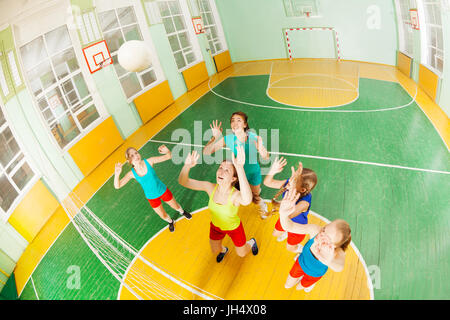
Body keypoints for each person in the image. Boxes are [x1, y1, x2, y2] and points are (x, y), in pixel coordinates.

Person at [178, 146, 258, 262]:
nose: (221, 171)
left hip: (234, 229)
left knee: (242, 253)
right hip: (216, 226)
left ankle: (251, 242)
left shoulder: (235, 195)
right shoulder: (210, 188)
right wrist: (187, 166)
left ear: (233, 179)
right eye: (220, 167)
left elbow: (246, 200)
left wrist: (239, 168)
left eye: (227, 170)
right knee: (215, 250)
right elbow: (183, 181)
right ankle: (224, 250)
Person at [279, 184, 351, 292]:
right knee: (287, 286)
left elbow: (339, 267)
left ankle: (309, 284)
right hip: (301, 263)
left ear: (335, 245)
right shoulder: (315, 231)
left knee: (300, 288)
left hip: (314, 274)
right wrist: (283, 214)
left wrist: (327, 260)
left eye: (327, 238)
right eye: (325, 229)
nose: (321, 235)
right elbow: (289, 226)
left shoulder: (338, 252)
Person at [203, 111, 270, 218]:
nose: (235, 123)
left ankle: (262, 204)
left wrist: (262, 150)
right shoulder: (228, 139)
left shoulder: (254, 137)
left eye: (239, 120)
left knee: (255, 196)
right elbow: (206, 152)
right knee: (236, 195)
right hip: (237, 174)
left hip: (253, 173)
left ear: (244, 124)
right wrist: (214, 137)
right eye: (232, 121)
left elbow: (266, 157)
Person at [114, 145, 191, 232]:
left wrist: (167, 151)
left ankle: (182, 212)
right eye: (132, 155)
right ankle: (170, 221)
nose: (136, 156)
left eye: (136, 153)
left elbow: (169, 156)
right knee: (163, 215)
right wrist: (117, 175)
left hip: (162, 190)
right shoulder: (131, 174)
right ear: (129, 161)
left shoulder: (149, 161)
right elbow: (117, 186)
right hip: (151, 197)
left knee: (176, 206)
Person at [264, 158, 317, 254]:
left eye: (295, 179)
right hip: (285, 220)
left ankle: (301, 250)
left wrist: (290, 189)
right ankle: (286, 232)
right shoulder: (290, 183)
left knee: (290, 248)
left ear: (302, 190)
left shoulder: (304, 203)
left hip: (297, 227)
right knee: (275, 233)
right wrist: (272, 171)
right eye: (292, 176)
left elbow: (288, 215)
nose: (291, 179)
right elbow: (267, 182)